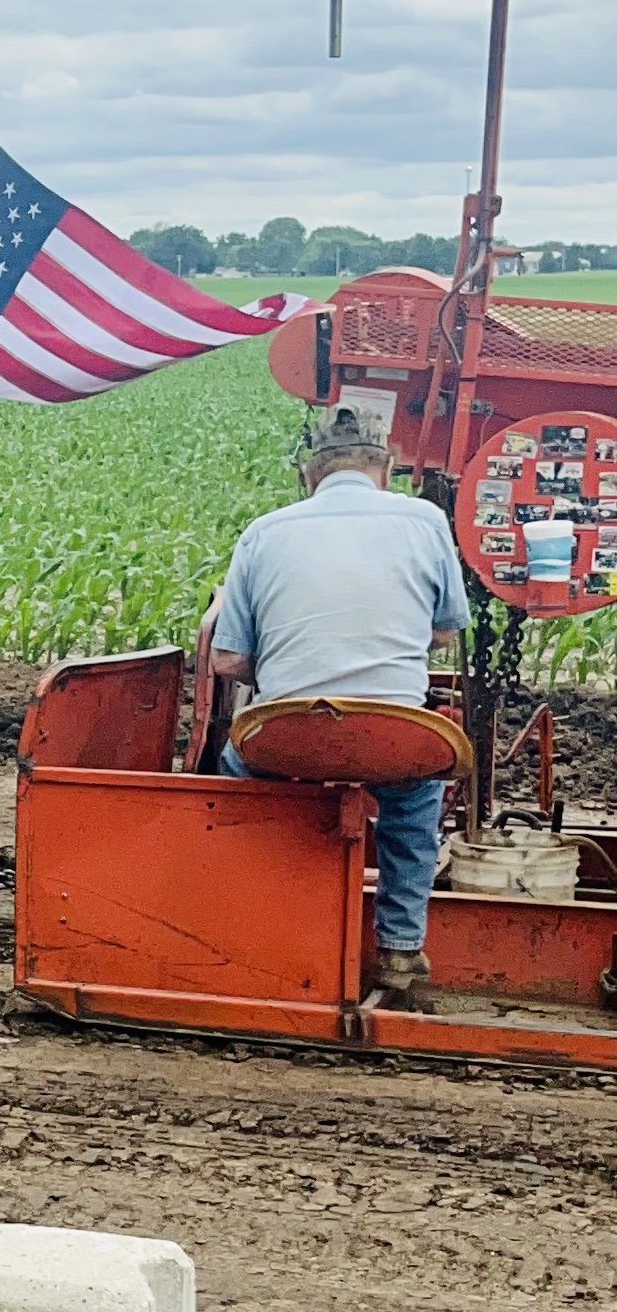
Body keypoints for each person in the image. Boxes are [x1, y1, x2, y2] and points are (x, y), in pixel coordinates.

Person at [211, 407, 471, 1008]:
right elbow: (445, 633)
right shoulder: (426, 519)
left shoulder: (265, 530)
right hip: (391, 731)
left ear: (310, 473)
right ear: (384, 469)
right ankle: (401, 949)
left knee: (240, 779)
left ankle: (261, 925)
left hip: (286, 730)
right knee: (415, 798)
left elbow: (226, 662)